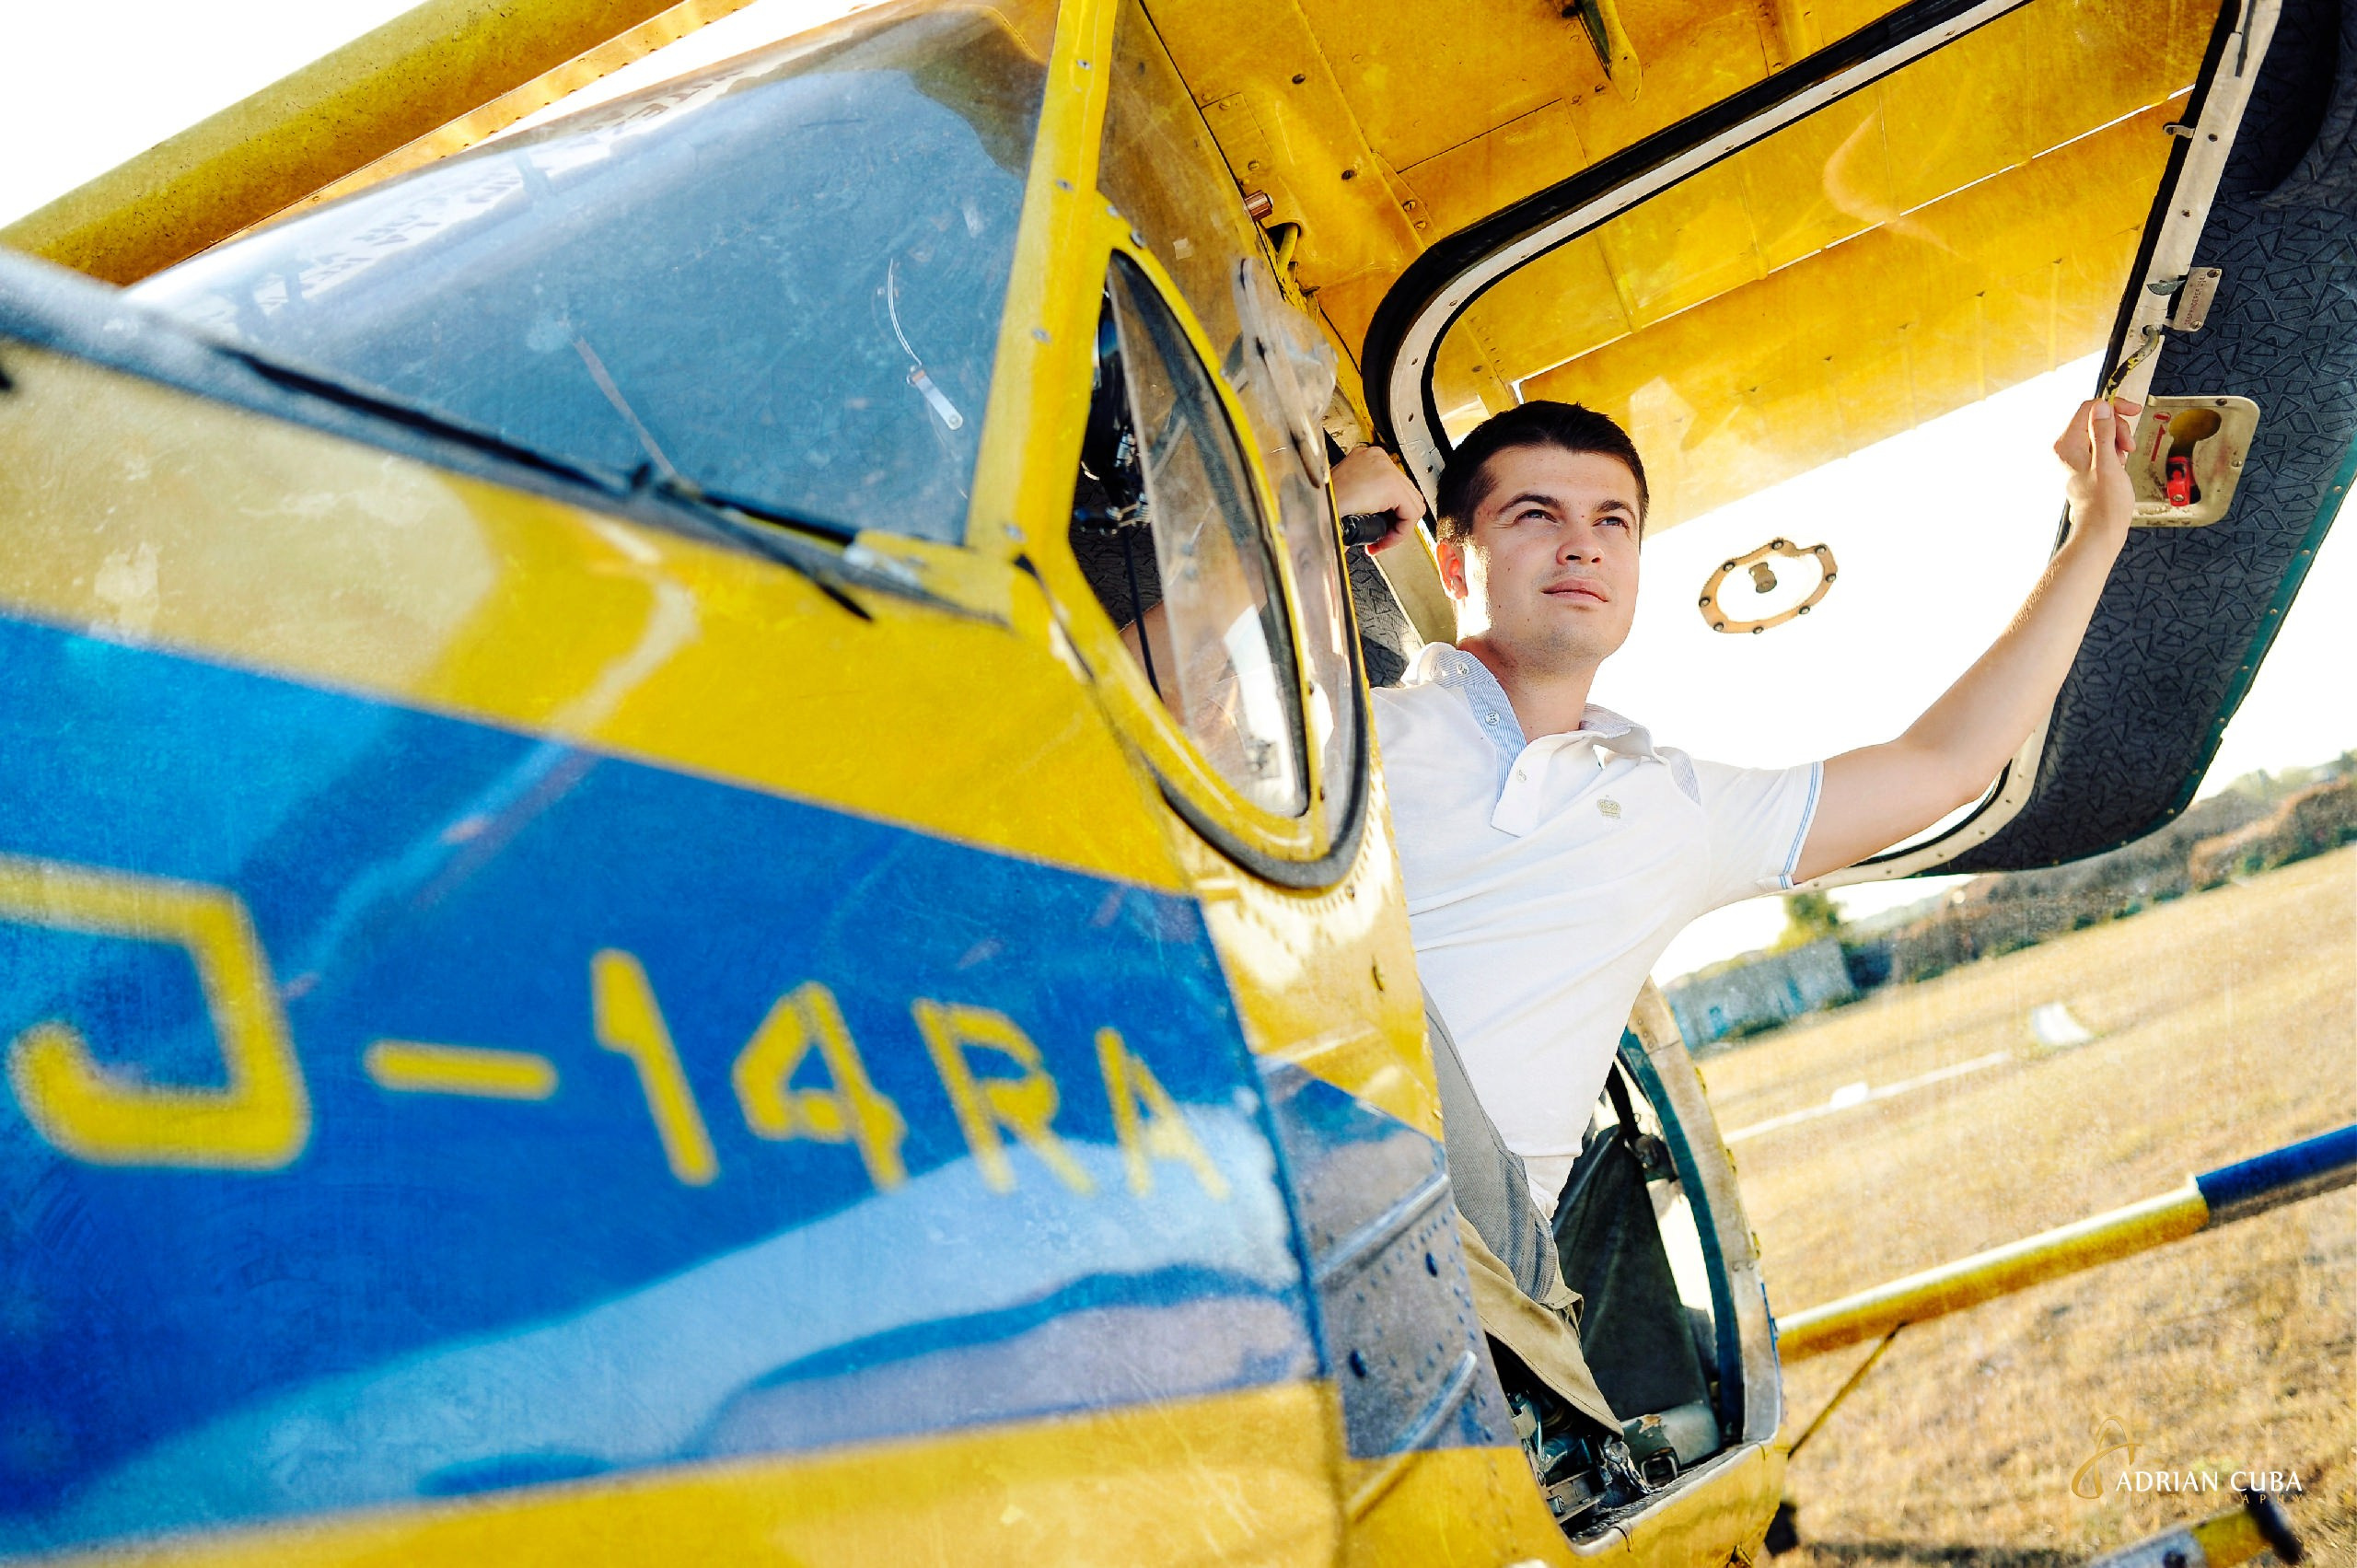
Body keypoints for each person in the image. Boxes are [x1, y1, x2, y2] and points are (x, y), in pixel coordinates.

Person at [1326, 397, 2138, 1211]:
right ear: (1456, 565)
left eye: (1614, 522)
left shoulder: (1672, 806)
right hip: (1284, 1201)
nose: (1583, 545)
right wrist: (1313, 517)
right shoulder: (1341, 729)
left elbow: (1946, 763)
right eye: (1536, 515)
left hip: (1487, 1282)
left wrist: (2095, 527)